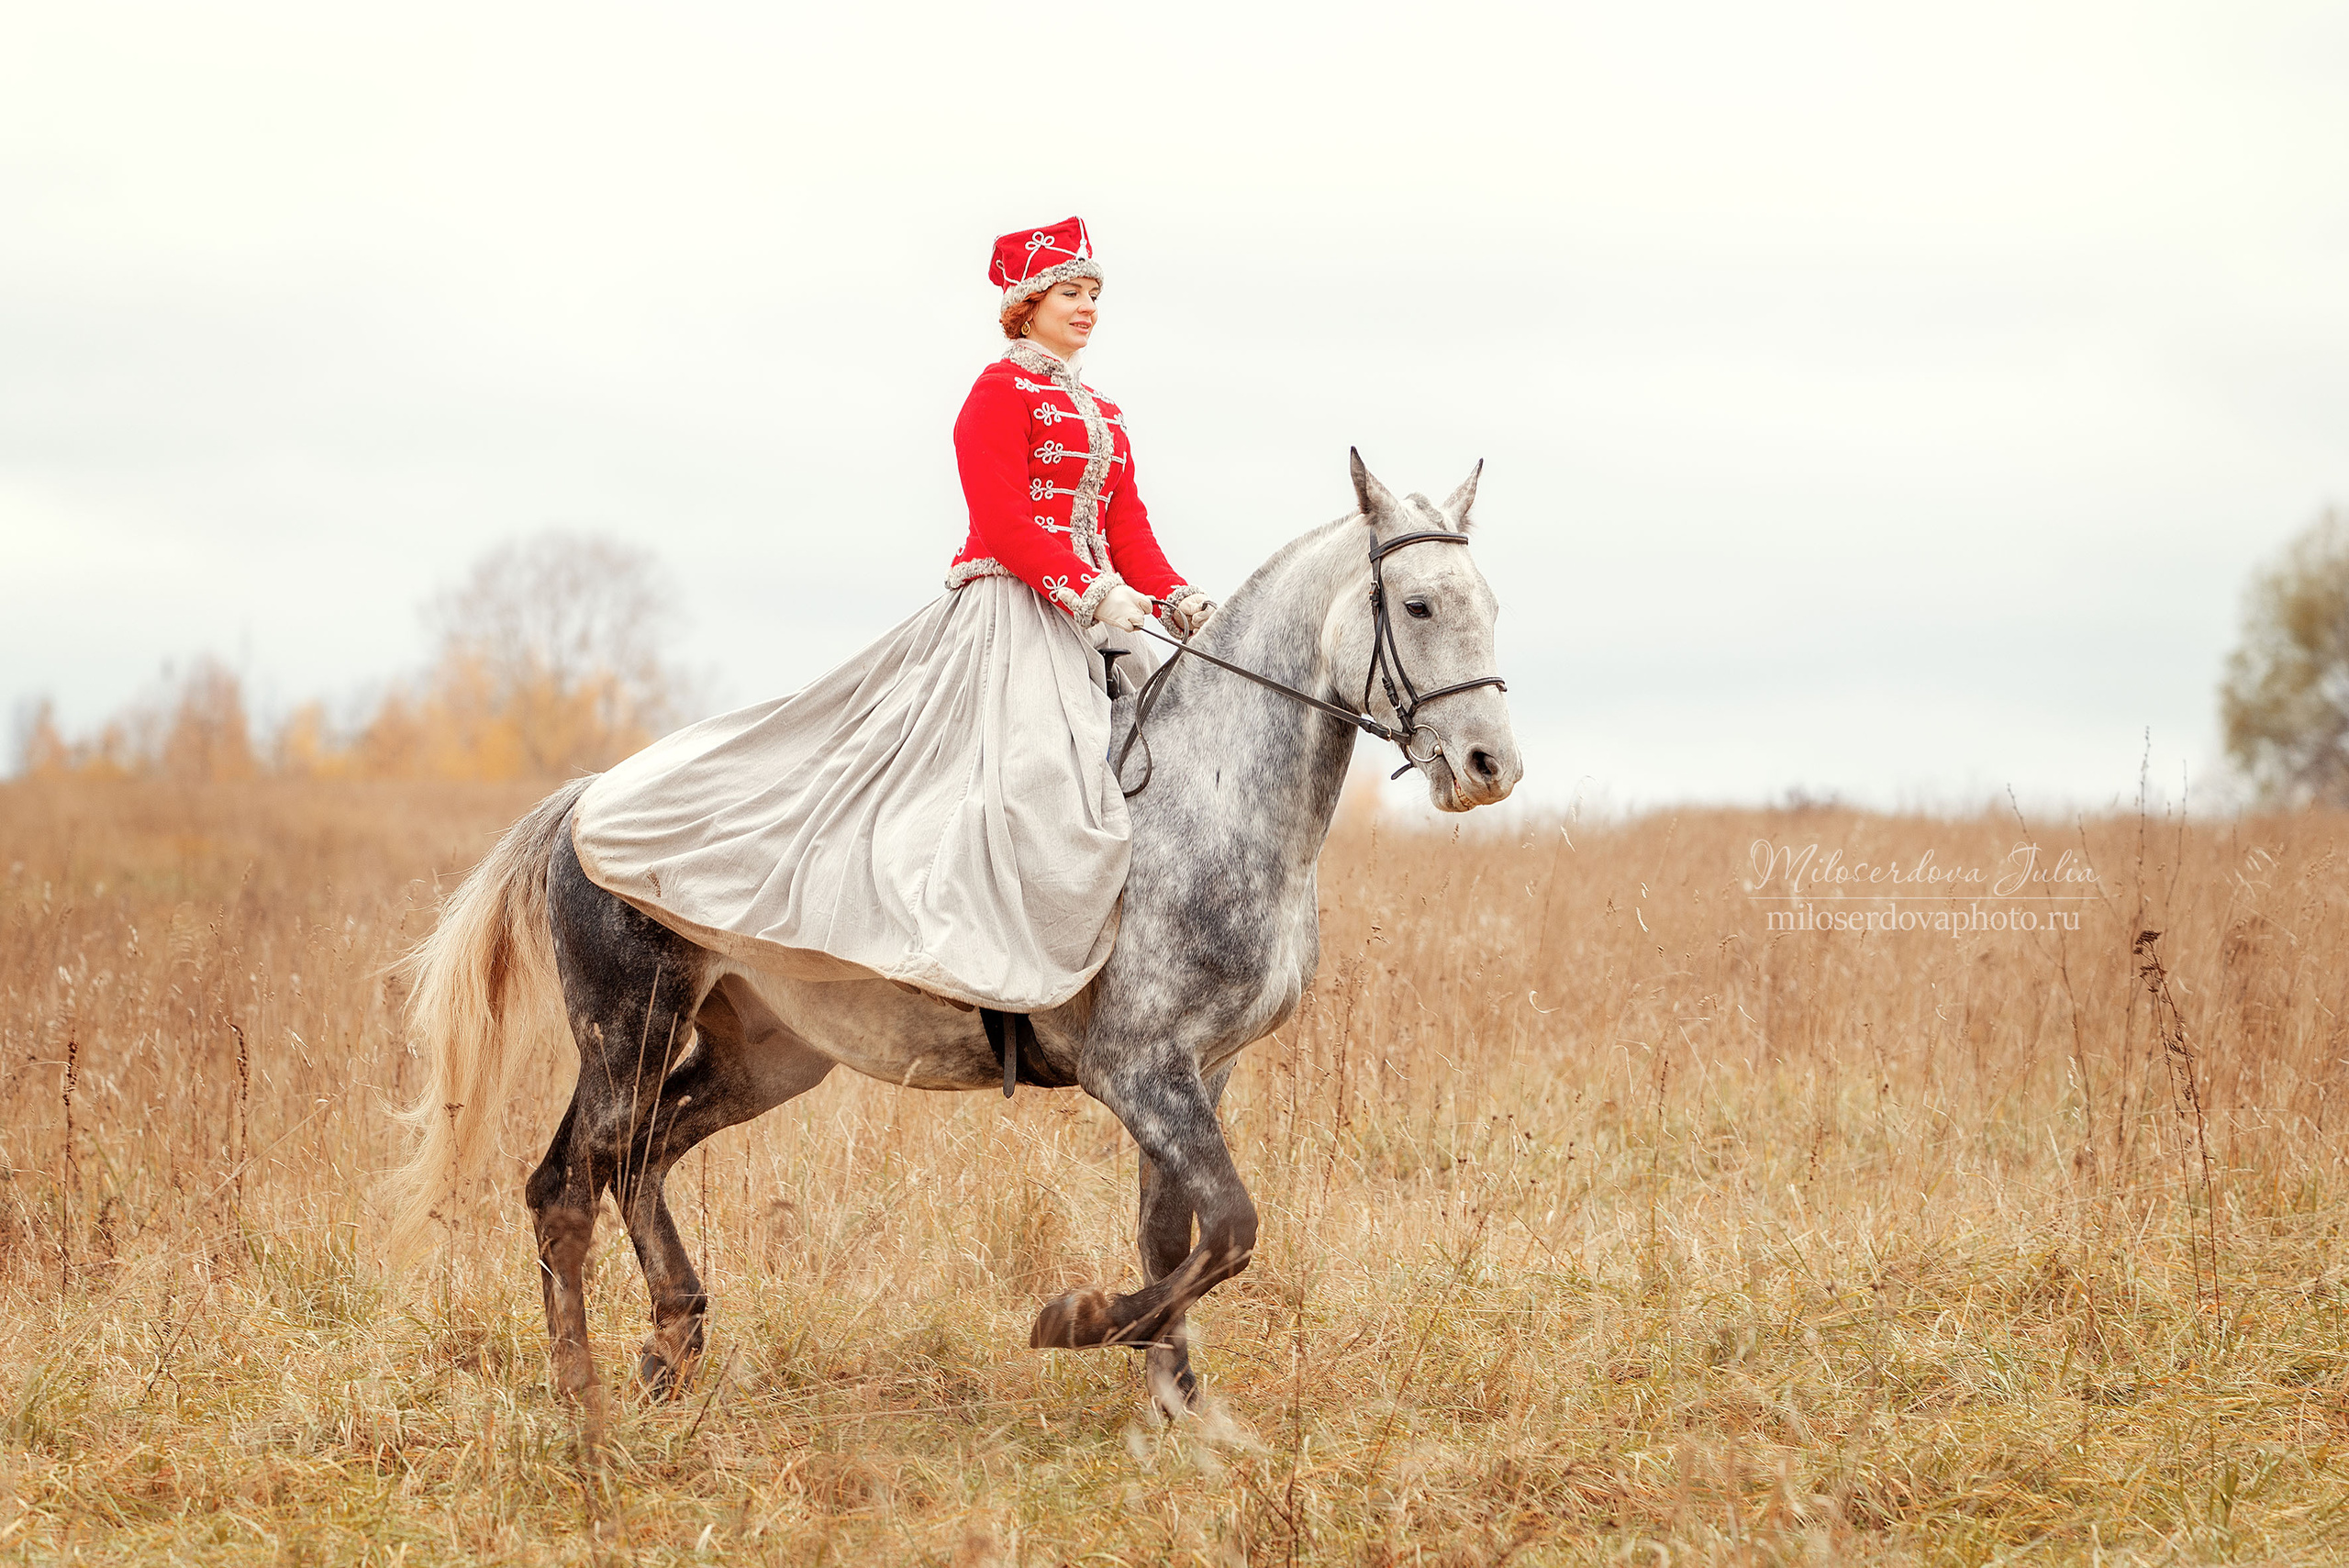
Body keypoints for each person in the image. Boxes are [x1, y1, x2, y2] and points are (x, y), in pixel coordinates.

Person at [569, 217, 1210, 1013]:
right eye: (1070, 293)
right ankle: (958, 957)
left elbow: (1129, 525)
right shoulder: (996, 393)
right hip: (1015, 615)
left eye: (1093, 295)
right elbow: (1007, 521)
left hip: (1095, 620)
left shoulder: (1104, 412)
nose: (1087, 308)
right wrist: (1090, 589)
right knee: (1029, 775)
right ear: (1028, 302)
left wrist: (1179, 597)